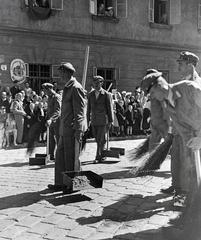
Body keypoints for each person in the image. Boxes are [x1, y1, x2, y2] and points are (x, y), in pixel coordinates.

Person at [160, 51, 201, 197]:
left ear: (191, 65)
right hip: (177, 131)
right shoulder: (180, 84)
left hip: (191, 133)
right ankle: (176, 186)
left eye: (181, 64)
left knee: (188, 164)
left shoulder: (197, 84)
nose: (178, 67)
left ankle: (187, 193)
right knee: (176, 159)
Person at [48, 62, 87, 191]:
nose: (60, 76)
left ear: (67, 73)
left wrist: (79, 130)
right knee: (59, 157)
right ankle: (60, 183)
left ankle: (73, 185)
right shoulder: (67, 87)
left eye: (61, 73)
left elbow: (80, 112)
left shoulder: (76, 87)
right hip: (63, 129)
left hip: (72, 129)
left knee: (71, 158)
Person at [87, 75, 114, 163]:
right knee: (97, 138)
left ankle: (98, 156)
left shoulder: (106, 94)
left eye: (98, 83)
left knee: (101, 138)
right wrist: (87, 121)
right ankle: (102, 154)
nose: (96, 85)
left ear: (101, 83)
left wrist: (110, 121)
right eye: (94, 83)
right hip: (94, 121)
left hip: (103, 120)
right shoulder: (90, 94)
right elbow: (88, 109)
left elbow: (110, 108)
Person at [42, 83, 61, 161]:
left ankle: (60, 156)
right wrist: (47, 118)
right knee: (50, 139)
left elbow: (57, 111)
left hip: (57, 121)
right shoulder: (49, 97)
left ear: (49, 89)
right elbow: (49, 110)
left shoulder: (56, 97)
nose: (44, 91)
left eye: (45, 90)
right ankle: (51, 155)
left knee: (58, 139)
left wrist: (51, 119)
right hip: (50, 122)